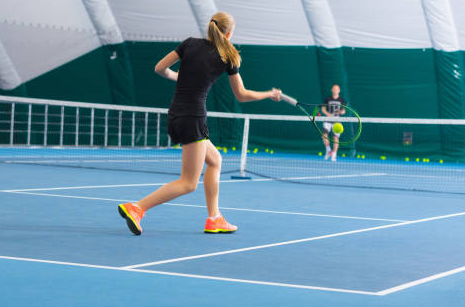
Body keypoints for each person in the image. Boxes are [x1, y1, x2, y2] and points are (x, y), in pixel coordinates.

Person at [118, 12, 281, 235]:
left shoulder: (189, 44)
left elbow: (159, 68)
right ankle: (137, 208)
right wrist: (268, 94)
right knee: (188, 183)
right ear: (229, 33)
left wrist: (179, 77)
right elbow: (241, 95)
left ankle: (214, 218)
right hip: (192, 118)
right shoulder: (229, 56)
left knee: (215, 160)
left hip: (176, 114)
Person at [321, 84, 346, 162]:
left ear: (339, 90)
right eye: (334, 89)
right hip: (328, 120)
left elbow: (344, 111)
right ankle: (328, 150)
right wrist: (329, 115)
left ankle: (334, 153)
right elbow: (323, 109)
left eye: (337, 89)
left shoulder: (341, 100)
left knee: (335, 138)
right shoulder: (328, 99)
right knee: (324, 135)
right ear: (332, 90)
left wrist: (340, 111)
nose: (335, 90)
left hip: (337, 122)